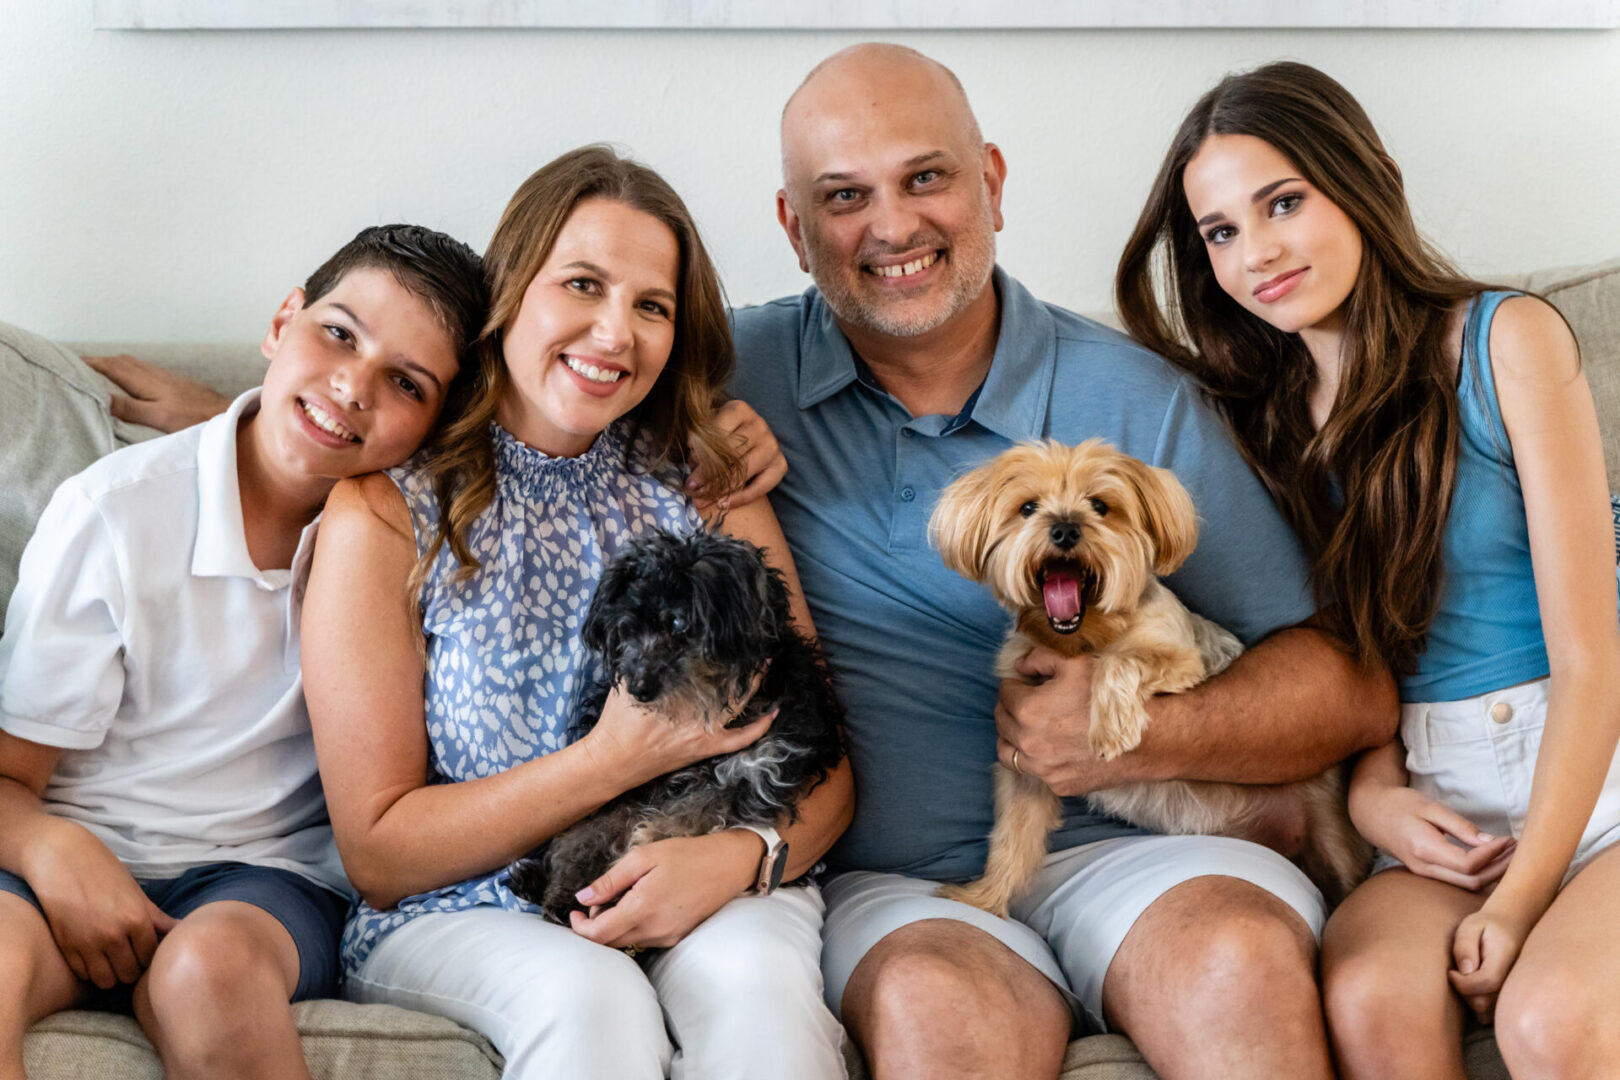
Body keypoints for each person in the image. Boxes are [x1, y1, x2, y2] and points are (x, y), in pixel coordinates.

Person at [728, 44, 1395, 1080]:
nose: (894, 227)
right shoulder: (724, 375)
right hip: (903, 885)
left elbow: (1347, 684)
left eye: (927, 177)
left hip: (1153, 855)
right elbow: (529, 395)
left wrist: (1142, 734)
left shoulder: (1136, 401)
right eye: (845, 196)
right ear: (793, 226)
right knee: (930, 1007)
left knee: (1235, 961)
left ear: (990, 181)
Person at [299, 145, 853, 1080]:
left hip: (711, 870)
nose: (614, 333)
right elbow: (380, 852)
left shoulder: (709, 482)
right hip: (465, 908)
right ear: (511, 288)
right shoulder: (390, 511)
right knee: (592, 1001)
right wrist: (613, 760)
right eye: (583, 285)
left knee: (758, 990)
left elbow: (826, 766)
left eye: (651, 306)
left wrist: (739, 859)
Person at [1116, 61, 1620, 1078]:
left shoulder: (1506, 341)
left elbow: (1592, 655)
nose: (1256, 252)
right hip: (1434, 802)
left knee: (1549, 1019)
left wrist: (1521, 904)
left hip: (1597, 779)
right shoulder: (1254, 428)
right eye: (1220, 231)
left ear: (1366, 177)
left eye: (1283, 203)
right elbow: (1347, 662)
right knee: (1368, 1000)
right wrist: (1379, 798)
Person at [0, 224, 486, 1080]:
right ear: (282, 322)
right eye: (338, 334)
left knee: (207, 975)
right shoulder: (112, 512)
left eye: (405, 382)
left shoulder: (410, 540)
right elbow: (11, 779)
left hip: (262, 883)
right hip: (69, 861)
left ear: (439, 426)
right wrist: (52, 851)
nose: (352, 385)